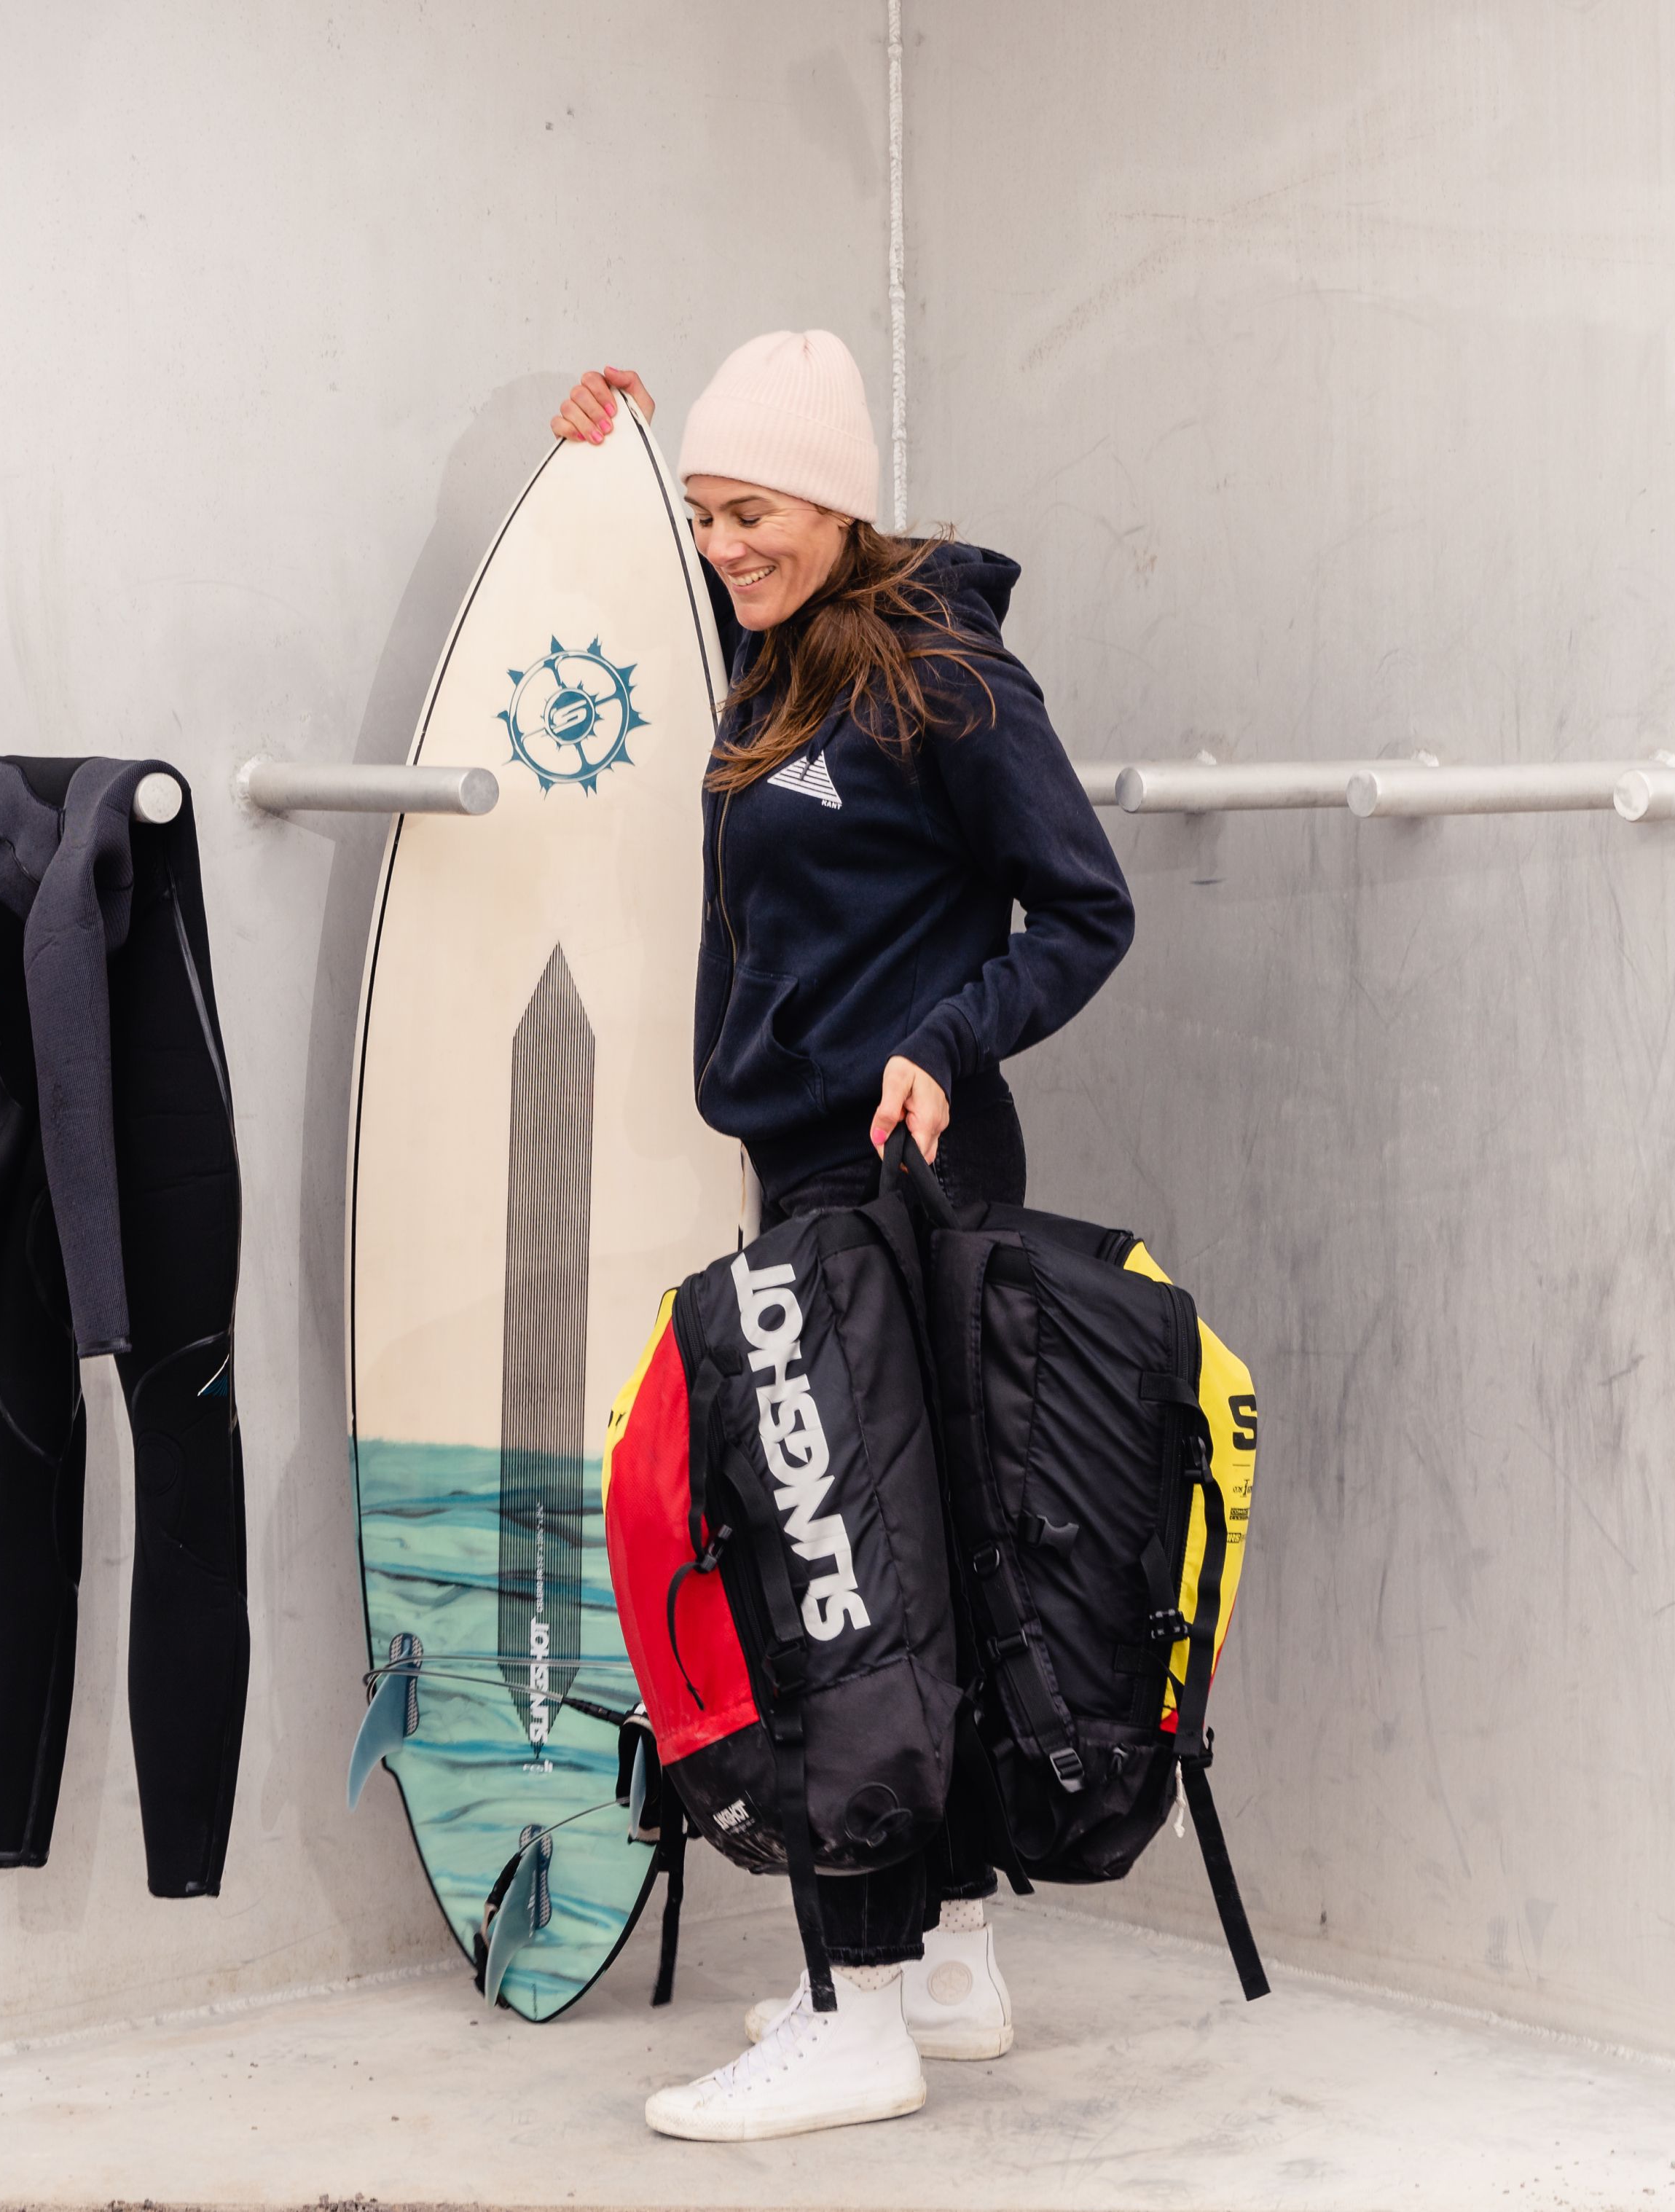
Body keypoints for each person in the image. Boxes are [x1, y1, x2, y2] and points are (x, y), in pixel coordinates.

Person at [552, 330, 1136, 2141]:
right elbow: (684, 580)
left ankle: (850, 2008)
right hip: (817, 1165)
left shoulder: (941, 672)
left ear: (838, 499)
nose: (729, 546)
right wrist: (619, 466)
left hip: (904, 1161)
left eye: (756, 513)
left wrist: (941, 1044)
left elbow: (1084, 909)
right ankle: (945, 1964)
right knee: (921, 1569)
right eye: (713, 517)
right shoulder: (780, 660)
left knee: (838, 1579)